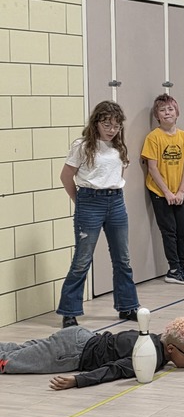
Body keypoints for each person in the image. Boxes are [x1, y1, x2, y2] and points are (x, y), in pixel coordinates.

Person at [56, 101, 140, 329]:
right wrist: (80, 202)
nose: (111, 129)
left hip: (116, 201)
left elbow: (117, 173)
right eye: (106, 124)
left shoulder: (119, 148)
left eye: (116, 125)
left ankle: (127, 305)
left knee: (122, 258)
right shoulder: (82, 146)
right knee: (82, 259)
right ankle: (69, 311)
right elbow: (66, 177)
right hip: (89, 201)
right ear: (96, 123)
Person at [0, 316, 184, 390]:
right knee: (10, 363)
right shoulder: (149, 356)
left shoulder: (154, 338)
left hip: (79, 337)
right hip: (71, 353)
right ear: (170, 349)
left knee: (14, 351)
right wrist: (78, 380)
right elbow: (114, 370)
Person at [142, 94, 184, 285]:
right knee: (169, 231)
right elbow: (152, 168)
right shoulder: (153, 138)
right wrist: (166, 192)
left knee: (183, 231)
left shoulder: (183, 137)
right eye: (162, 110)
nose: (167, 113)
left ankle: (182, 265)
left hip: (179, 191)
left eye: (170, 109)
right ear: (157, 115)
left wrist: (181, 191)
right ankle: (173, 269)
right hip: (160, 193)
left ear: (177, 113)